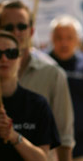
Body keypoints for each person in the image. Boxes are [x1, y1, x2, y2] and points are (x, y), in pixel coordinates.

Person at [0, 1, 75, 161]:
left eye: (21, 26)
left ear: (31, 30)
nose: (16, 32)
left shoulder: (53, 74)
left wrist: (15, 136)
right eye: (9, 27)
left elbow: (65, 137)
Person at [0, 31, 60, 160]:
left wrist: (14, 136)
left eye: (11, 53)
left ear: (20, 58)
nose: (4, 59)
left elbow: (43, 158)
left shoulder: (38, 104)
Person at [49, 15, 83, 161]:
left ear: (77, 39)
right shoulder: (43, 65)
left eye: (69, 37)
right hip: (48, 149)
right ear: (52, 38)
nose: (64, 42)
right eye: (59, 37)